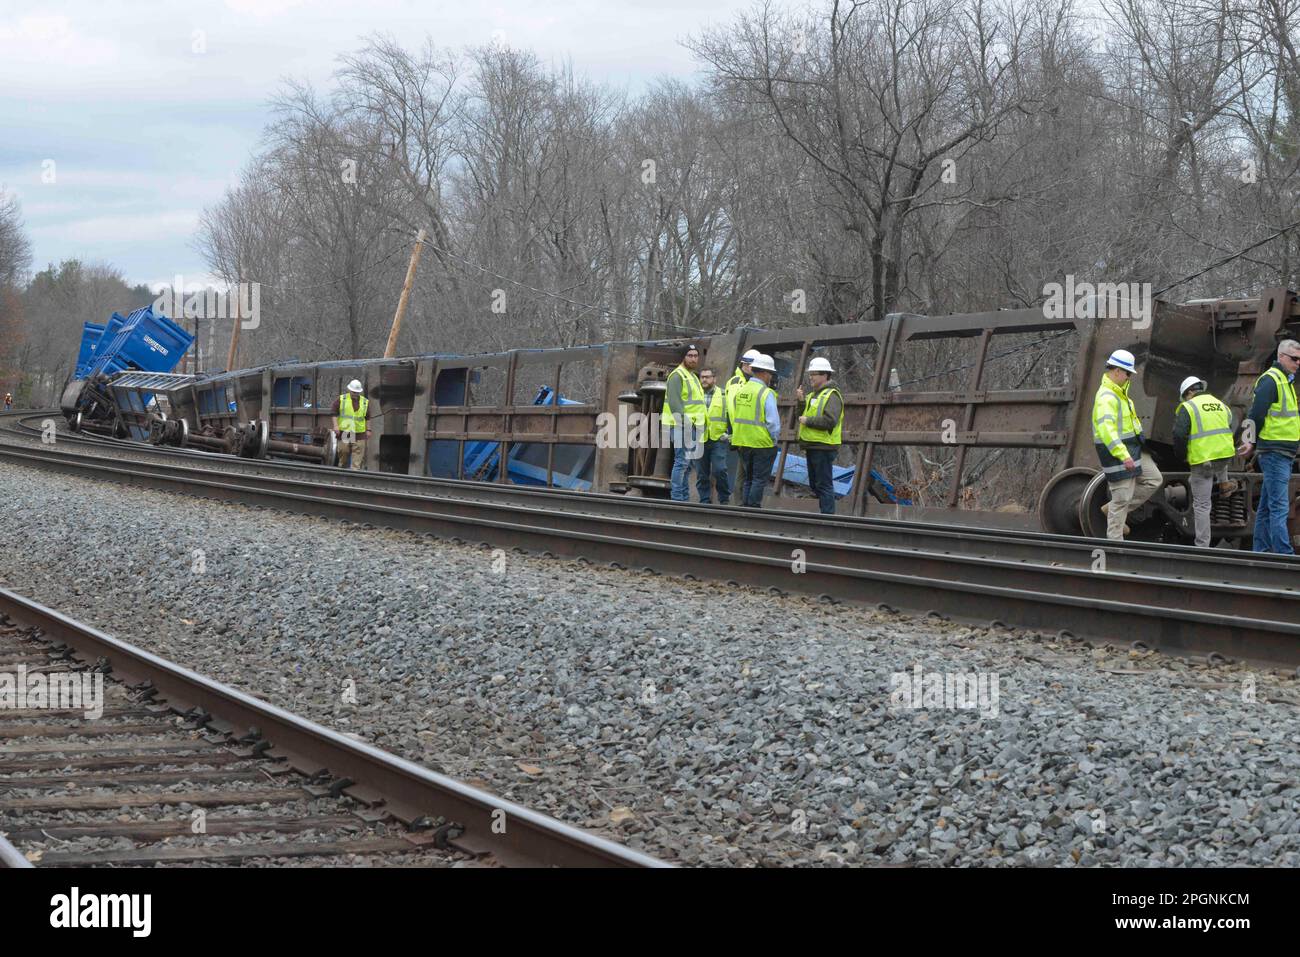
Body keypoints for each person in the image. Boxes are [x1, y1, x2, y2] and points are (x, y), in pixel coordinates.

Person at [1092, 348, 1163, 539]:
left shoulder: (1121, 395)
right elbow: (1107, 430)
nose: (1129, 377)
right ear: (1116, 371)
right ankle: (1115, 547)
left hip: (1135, 450)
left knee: (1154, 479)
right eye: (1127, 373)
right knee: (1121, 499)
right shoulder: (1107, 397)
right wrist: (1123, 455)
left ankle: (1111, 509)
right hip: (1119, 455)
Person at [1238, 339, 1300, 554]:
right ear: (1281, 356)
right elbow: (1256, 414)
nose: (1298, 362)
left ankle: (1261, 550)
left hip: (1281, 452)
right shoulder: (1272, 380)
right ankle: (1284, 554)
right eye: (1294, 358)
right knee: (1279, 506)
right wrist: (1251, 441)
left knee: (1266, 507)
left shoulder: (1285, 381)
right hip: (1275, 452)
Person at [1172, 375, 1236, 548]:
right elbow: (1230, 426)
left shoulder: (1188, 406)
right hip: (1224, 456)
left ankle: (1202, 546)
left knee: (1202, 505)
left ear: (1189, 393)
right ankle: (1224, 482)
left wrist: (1181, 456)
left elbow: (1179, 435)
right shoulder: (1221, 405)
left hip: (1203, 462)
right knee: (1220, 455)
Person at [728, 353, 781, 507]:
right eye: (770, 373)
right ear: (764, 373)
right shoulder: (766, 393)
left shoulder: (741, 390)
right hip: (762, 444)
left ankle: (745, 508)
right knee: (758, 479)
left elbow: (735, 414)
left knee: (748, 479)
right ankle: (753, 509)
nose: (770, 377)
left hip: (743, 443)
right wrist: (773, 440)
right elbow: (773, 423)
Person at [796, 357, 844, 514]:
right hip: (812, 445)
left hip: (824, 446)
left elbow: (830, 421)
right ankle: (825, 515)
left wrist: (808, 420)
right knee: (816, 485)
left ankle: (827, 518)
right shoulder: (813, 396)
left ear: (825, 375)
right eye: (810, 373)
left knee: (823, 485)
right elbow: (801, 416)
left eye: (814, 373)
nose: (811, 377)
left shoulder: (832, 395)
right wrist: (801, 402)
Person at [660, 345, 706, 502]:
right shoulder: (677, 376)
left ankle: (683, 499)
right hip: (681, 426)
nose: (693, 358)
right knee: (682, 462)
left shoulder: (692, 376)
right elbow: (675, 404)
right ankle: (677, 498)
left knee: (687, 465)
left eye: (695, 355)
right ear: (683, 357)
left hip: (691, 426)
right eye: (690, 355)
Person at [724, 349, 759, 503]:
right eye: (754, 366)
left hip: (745, 435)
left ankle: (739, 505)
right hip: (742, 435)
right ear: (745, 364)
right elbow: (733, 410)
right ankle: (741, 506)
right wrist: (737, 435)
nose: (756, 369)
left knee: (743, 473)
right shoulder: (737, 382)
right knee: (747, 473)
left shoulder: (746, 381)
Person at [695, 368, 732, 504]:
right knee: (701, 473)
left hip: (718, 439)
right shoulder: (694, 395)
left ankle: (724, 499)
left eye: (707, 377)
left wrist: (729, 434)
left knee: (720, 470)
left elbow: (730, 415)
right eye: (702, 377)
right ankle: (704, 501)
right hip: (699, 439)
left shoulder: (723, 395)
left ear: (714, 379)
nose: (704, 379)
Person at [332, 378, 376, 470]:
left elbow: (367, 417)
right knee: (344, 452)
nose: (355, 394)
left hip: (359, 433)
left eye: (357, 392)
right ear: (349, 390)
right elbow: (334, 413)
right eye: (353, 392)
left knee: (358, 455)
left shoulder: (364, 402)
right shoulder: (342, 399)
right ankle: (342, 471)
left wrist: (368, 430)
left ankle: (354, 474)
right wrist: (336, 426)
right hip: (346, 432)